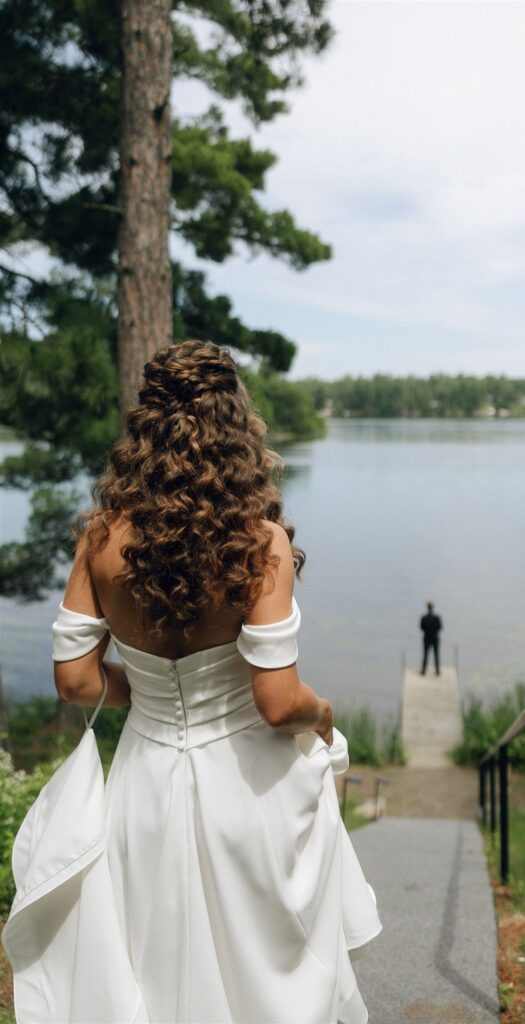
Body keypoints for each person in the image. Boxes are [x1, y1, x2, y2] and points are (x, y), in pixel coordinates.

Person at [1, 340, 382, 1024]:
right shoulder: (258, 543)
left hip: (143, 788)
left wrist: (146, 692)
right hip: (247, 791)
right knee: (266, 981)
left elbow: (76, 682)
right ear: (237, 427)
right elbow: (275, 701)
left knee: (159, 974)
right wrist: (322, 714)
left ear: (143, 428)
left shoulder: (100, 539)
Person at [419, 601, 442, 676]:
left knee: (425, 655)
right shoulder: (437, 618)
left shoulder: (424, 618)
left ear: (427, 607)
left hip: (427, 638)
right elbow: (440, 627)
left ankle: (423, 670)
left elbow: (421, 627)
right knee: (436, 655)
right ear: (433, 607)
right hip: (435, 638)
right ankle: (437, 670)